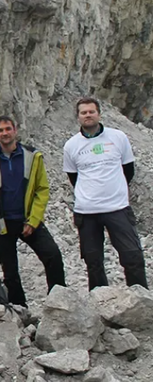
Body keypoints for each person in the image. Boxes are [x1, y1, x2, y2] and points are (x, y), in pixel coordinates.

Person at [0, 116, 66, 306]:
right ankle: (20, 309)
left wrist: (33, 220)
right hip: (1, 223)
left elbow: (42, 190)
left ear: (15, 130)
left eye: (8, 129)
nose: (5, 133)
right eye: (0, 130)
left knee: (53, 255)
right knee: (10, 271)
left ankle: (58, 302)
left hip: (27, 220)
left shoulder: (32, 156)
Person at [63, 97, 146, 289]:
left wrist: (114, 190)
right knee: (93, 262)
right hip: (87, 211)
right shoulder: (71, 146)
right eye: (83, 112)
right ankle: (100, 303)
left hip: (117, 207)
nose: (88, 115)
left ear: (99, 114)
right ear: (78, 117)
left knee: (132, 255)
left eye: (91, 111)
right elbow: (73, 177)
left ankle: (140, 301)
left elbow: (128, 170)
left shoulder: (118, 137)